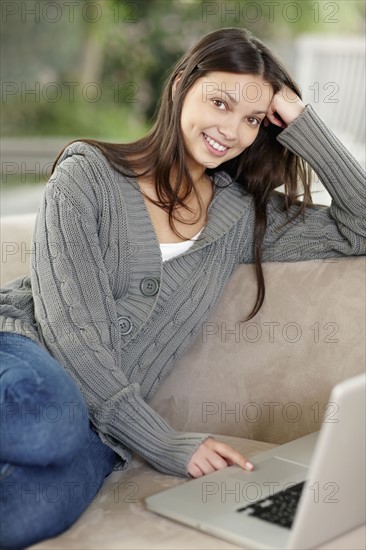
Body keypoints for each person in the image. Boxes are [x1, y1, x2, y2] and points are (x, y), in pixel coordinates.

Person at [0, 27, 365, 549]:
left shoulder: (243, 218)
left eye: (253, 119)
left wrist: (303, 121)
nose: (232, 130)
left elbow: (363, 225)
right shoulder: (87, 176)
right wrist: (165, 442)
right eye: (220, 101)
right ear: (180, 87)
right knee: (46, 424)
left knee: (25, 516)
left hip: (100, 432)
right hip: (25, 353)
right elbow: (72, 336)